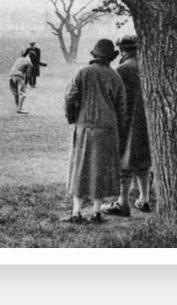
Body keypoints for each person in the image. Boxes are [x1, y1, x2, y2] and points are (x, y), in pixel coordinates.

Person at [62, 39, 126, 224]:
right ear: (111, 57)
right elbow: (122, 108)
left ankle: (76, 212)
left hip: (85, 127)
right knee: (101, 170)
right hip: (107, 128)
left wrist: (72, 117)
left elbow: (69, 97)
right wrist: (118, 130)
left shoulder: (83, 73)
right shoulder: (115, 77)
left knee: (79, 168)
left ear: (95, 55)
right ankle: (97, 212)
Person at [101, 35, 152, 217]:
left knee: (124, 162)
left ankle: (123, 203)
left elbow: (116, 100)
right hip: (148, 122)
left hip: (128, 121)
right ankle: (144, 199)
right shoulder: (149, 65)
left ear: (122, 50)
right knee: (143, 162)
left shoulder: (122, 69)